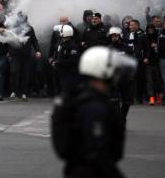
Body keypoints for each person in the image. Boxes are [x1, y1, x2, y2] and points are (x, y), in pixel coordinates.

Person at [52, 46, 137, 178]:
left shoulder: (85, 95)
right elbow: (97, 153)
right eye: (113, 67)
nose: (116, 72)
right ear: (101, 70)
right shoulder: (93, 106)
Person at [50, 25, 80, 95]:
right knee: (61, 87)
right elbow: (58, 54)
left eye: (61, 31)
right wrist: (54, 60)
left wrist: (59, 63)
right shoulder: (61, 43)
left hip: (69, 72)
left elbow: (73, 60)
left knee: (68, 89)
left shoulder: (72, 46)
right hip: (61, 71)